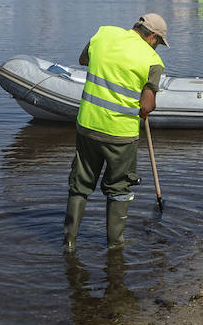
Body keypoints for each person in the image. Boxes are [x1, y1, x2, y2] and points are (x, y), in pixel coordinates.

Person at [63, 14, 168, 251]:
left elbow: (83, 60)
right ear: (152, 36)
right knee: (119, 189)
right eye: (159, 42)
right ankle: (115, 247)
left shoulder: (104, 34)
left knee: (80, 185)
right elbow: (146, 106)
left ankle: (69, 244)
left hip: (88, 125)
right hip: (120, 135)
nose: (158, 47)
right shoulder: (152, 60)